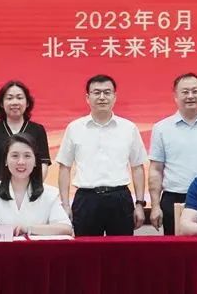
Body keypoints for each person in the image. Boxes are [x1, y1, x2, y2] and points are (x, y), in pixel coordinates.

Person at [56, 74, 148, 237]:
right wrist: (65, 205)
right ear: (87, 98)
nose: (102, 97)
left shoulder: (128, 128)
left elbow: (137, 167)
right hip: (86, 199)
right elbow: (64, 167)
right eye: (96, 92)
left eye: (107, 92)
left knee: (121, 251)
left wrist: (140, 204)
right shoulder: (75, 128)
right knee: (85, 250)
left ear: (114, 97)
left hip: (120, 198)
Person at [148, 73, 197, 235]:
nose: (190, 96)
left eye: (195, 91)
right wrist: (155, 206)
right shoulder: (161, 128)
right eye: (185, 92)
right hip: (174, 198)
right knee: (175, 247)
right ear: (176, 96)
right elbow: (156, 169)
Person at [0, 134, 73, 236]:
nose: (21, 162)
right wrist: (6, 231)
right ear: (6, 160)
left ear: (36, 161)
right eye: (15, 156)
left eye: (27, 156)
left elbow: (66, 228)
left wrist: (28, 229)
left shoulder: (49, 193)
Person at [0, 80, 50, 183]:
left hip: (30, 190)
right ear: (1, 103)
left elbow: (43, 164)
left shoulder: (38, 130)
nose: (15, 102)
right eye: (9, 98)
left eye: (19, 98)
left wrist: (33, 187)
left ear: (27, 103)